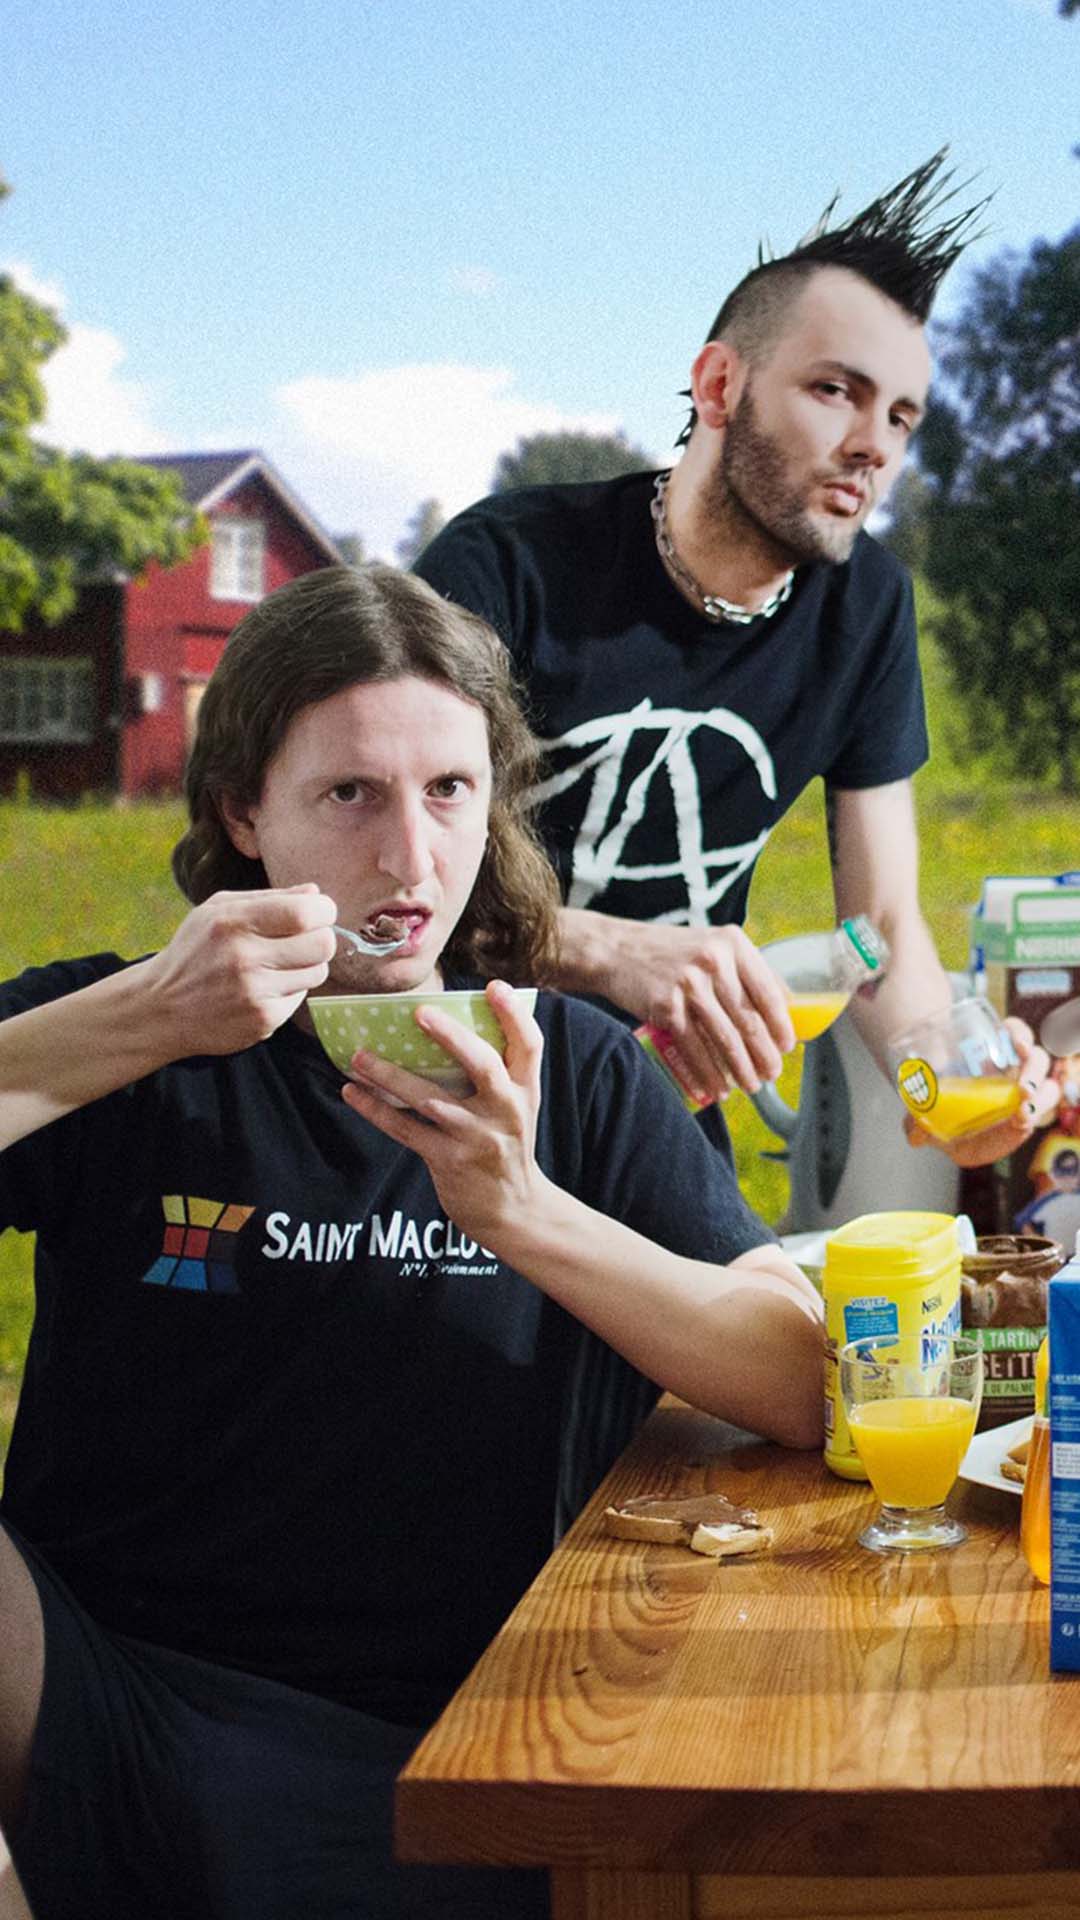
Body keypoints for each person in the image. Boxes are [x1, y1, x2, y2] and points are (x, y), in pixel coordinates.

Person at [0, 564, 822, 1920]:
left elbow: (800, 1373)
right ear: (242, 812)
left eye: (449, 791)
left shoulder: (573, 1068)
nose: (411, 858)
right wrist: (148, 1019)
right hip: (110, 1697)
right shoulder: (112, 1034)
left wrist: (522, 1212)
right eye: (350, 795)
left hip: (482, 1728)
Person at [415, 150, 1052, 1169]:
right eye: (836, 391)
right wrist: (608, 949)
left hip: (659, 1119)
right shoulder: (504, 567)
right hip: (451, 1108)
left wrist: (947, 1092)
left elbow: (883, 928)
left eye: (900, 417)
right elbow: (382, 881)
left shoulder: (869, 607)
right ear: (720, 385)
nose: (874, 446)